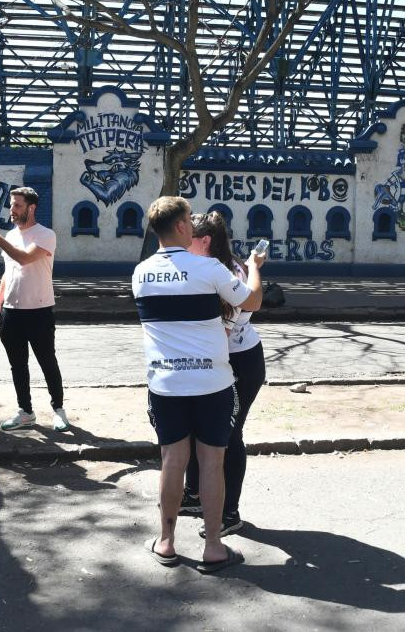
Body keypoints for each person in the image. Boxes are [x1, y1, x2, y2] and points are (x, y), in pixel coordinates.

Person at [132, 196, 265, 573]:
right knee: (211, 462)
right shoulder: (208, 269)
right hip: (212, 382)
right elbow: (252, 300)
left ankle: (167, 541)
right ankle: (213, 547)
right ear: (179, 227)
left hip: (166, 384)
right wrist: (254, 267)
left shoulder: (140, 273)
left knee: (172, 461)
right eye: (189, 218)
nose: (193, 224)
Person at [183, 211, 266, 537]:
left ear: (204, 242)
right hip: (212, 360)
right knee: (194, 429)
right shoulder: (204, 267)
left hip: (238, 364)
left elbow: (221, 337)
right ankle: (195, 495)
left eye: (187, 238)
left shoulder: (227, 274)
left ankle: (228, 513)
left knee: (228, 437)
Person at [0, 186, 70, 432]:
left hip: (39, 311)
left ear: (31, 208)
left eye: (17, 205)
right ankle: (25, 412)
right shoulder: (10, 236)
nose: (12, 210)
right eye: (11, 205)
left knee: (47, 361)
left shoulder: (45, 235)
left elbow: (23, 258)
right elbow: (9, 271)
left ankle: (59, 410)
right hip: (12, 312)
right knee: (17, 365)